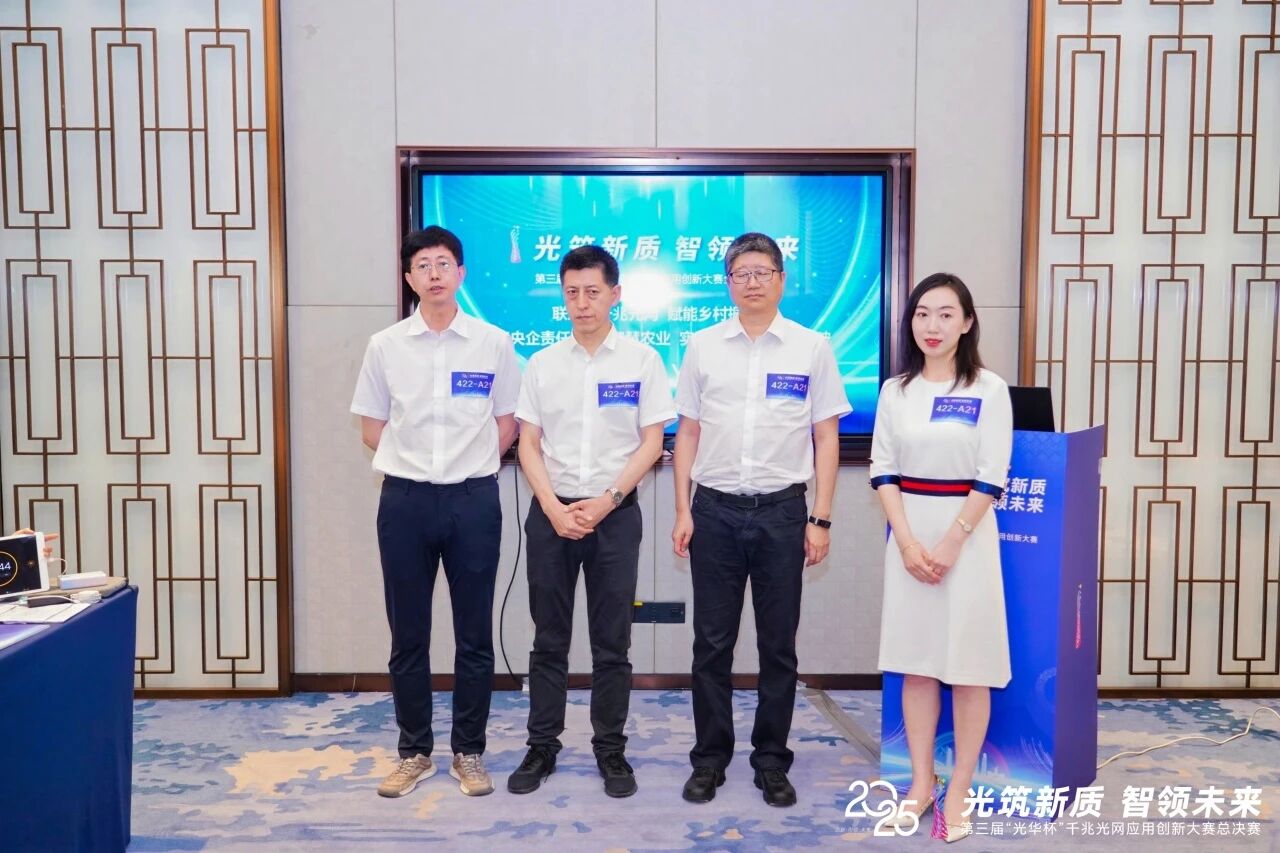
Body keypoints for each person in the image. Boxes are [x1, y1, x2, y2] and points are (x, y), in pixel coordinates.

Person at [671, 232, 850, 807]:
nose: (751, 282)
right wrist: (683, 509)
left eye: (762, 272)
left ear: (781, 280)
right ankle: (709, 759)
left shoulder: (811, 348)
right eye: (740, 273)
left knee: (778, 647)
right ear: (727, 283)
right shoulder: (702, 346)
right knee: (711, 645)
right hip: (714, 511)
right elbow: (687, 433)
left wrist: (821, 517)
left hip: (782, 512)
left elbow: (826, 436)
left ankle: (771, 759)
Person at [350, 226, 520, 799]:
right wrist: (417, 464)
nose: (434, 274)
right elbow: (371, 426)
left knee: (474, 635)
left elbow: (507, 423)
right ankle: (414, 752)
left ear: (461, 273)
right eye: (422, 265)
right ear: (409, 278)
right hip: (406, 501)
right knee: (408, 634)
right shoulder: (385, 345)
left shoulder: (494, 343)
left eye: (444, 263)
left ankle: (468, 752)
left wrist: (465, 465)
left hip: (473, 500)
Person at [508, 244, 674, 799]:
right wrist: (553, 507)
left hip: (615, 516)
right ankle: (542, 746)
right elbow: (528, 443)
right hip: (551, 514)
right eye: (572, 292)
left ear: (615, 295)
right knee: (548, 640)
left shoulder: (642, 361)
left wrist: (607, 500)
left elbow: (652, 442)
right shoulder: (542, 363)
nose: (582, 303)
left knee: (612, 643)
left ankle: (610, 749)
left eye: (593, 292)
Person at [868, 272, 1012, 842]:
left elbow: (992, 474)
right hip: (909, 538)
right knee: (918, 664)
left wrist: (952, 541)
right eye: (922, 313)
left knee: (969, 668)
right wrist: (906, 542)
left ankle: (959, 791)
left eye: (946, 314)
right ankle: (921, 784)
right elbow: (883, 470)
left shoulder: (989, 389)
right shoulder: (894, 391)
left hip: (968, 539)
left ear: (968, 323)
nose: (932, 325)